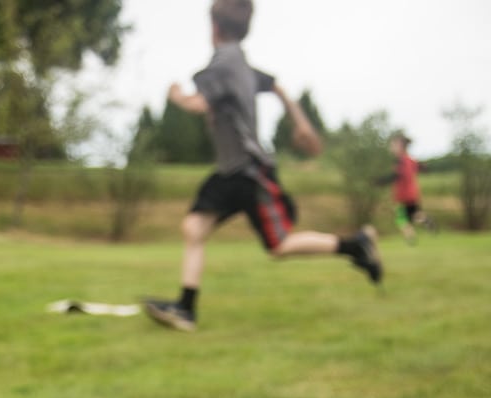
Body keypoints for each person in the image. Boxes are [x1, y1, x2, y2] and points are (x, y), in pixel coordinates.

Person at [144, 0, 383, 333]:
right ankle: (186, 307)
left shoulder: (222, 65)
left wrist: (176, 98)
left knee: (279, 245)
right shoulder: (241, 63)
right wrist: (301, 123)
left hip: (249, 172)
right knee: (194, 229)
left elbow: (199, 104)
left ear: (214, 27)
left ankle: (355, 245)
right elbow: (277, 87)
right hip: (229, 171)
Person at [382, 133, 435, 244]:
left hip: (403, 196)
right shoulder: (411, 160)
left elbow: (399, 175)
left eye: (393, 145)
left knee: (401, 219)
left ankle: (411, 238)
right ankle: (425, 220)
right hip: (413, 194)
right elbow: (423, 168)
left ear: (400, 146)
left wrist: (382, 181)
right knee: (414, 215)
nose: (391, 148)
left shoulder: (401, 161)